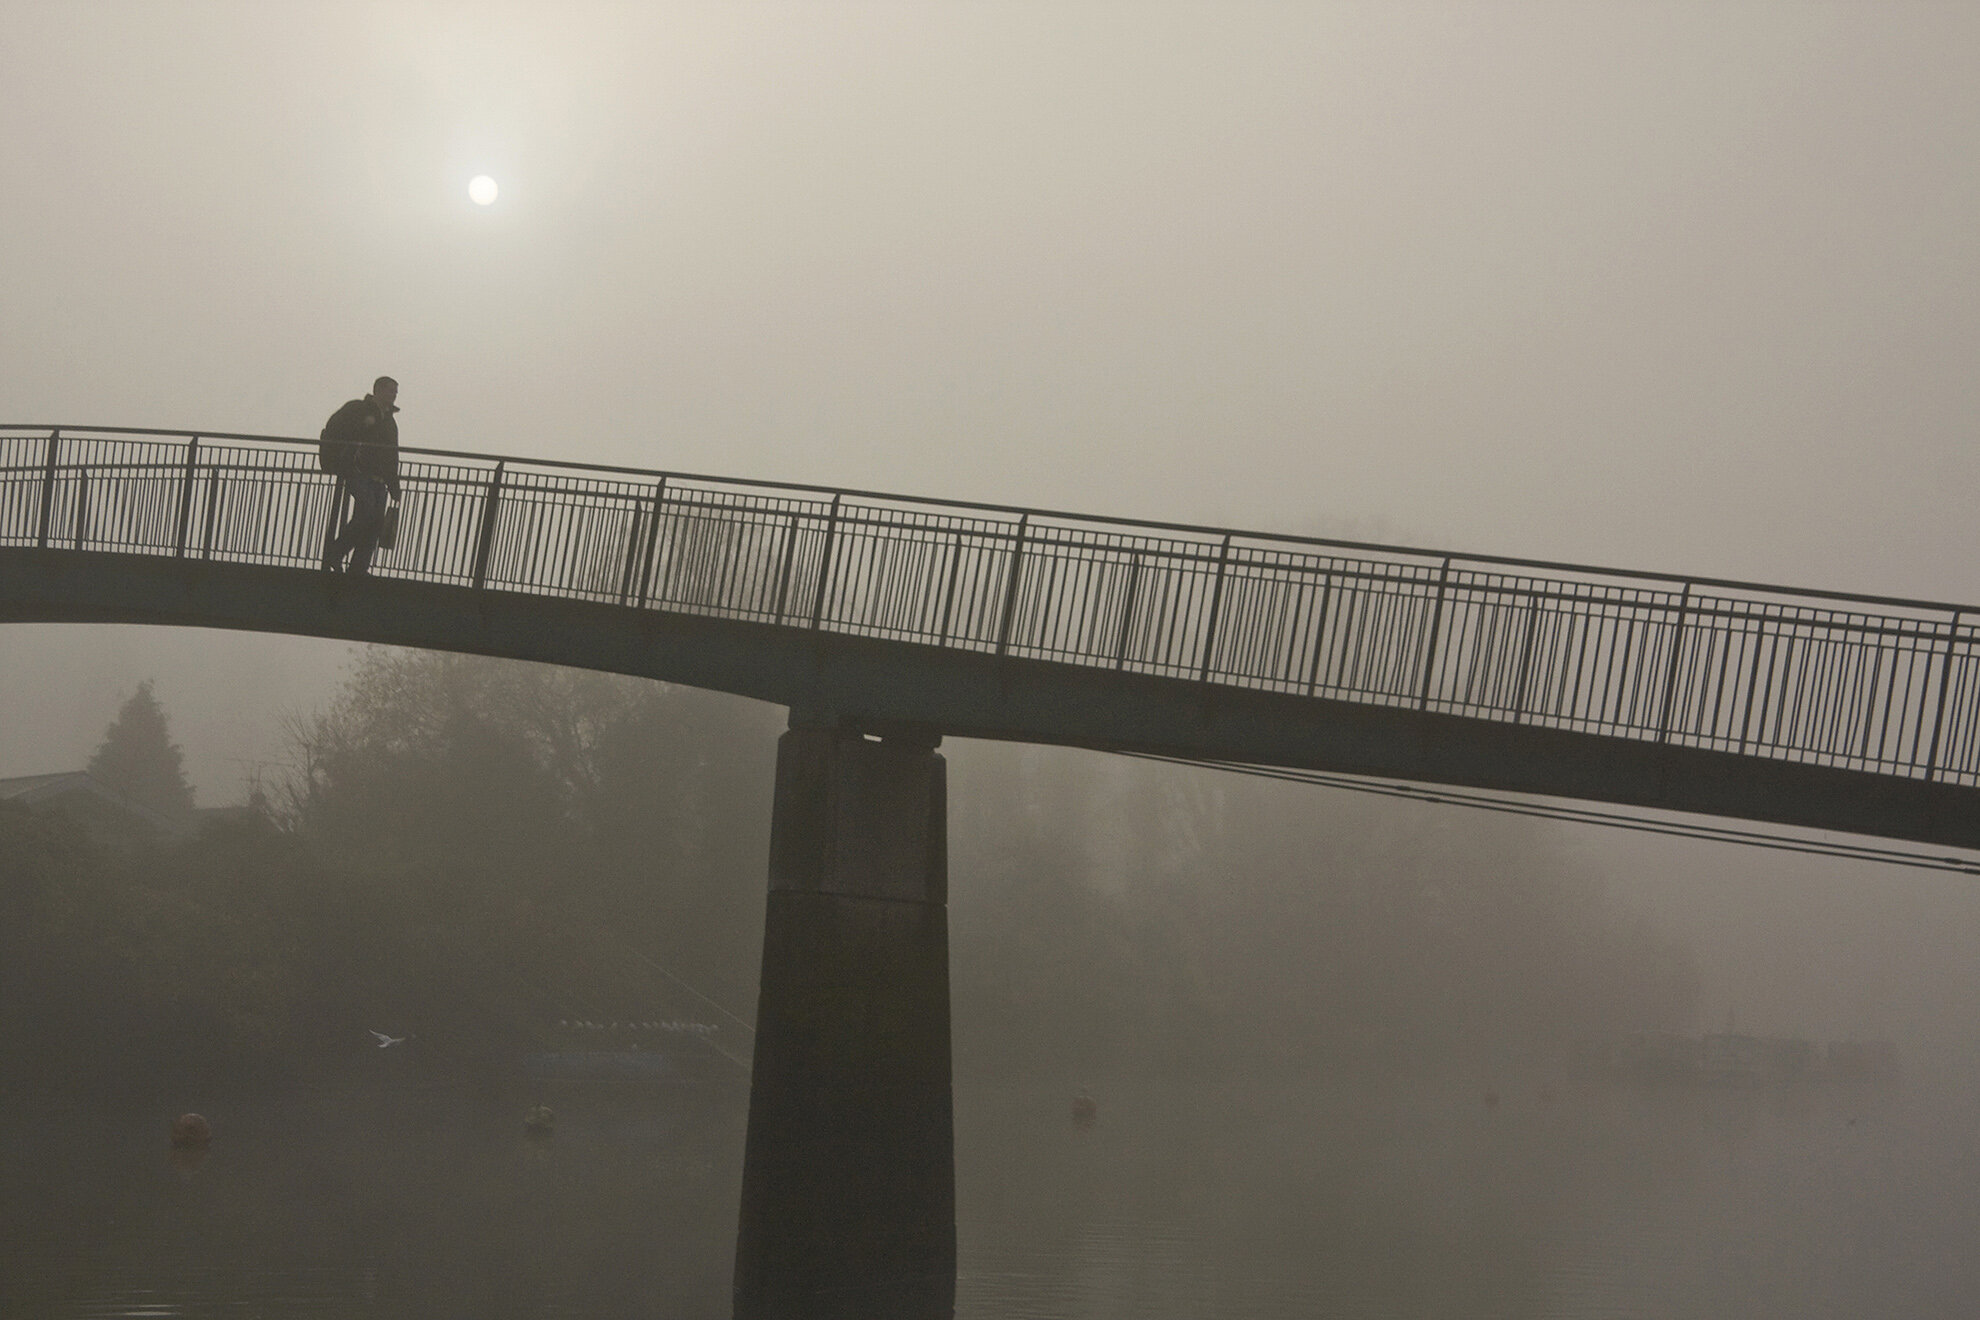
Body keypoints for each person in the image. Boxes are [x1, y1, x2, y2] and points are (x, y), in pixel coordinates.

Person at [320, 376, 402, 575]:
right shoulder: (357, 409)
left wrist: (394, 484)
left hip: (378, 477)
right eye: (391, 390)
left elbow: (392, 454)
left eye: (395, 392)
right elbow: (335, 430)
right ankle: (336, 553)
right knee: (367, 513)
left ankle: (358, 568)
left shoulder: (390, 422)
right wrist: (338, 461)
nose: (394, 395)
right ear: (378, 390)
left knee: (375, 522)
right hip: (357, 471)